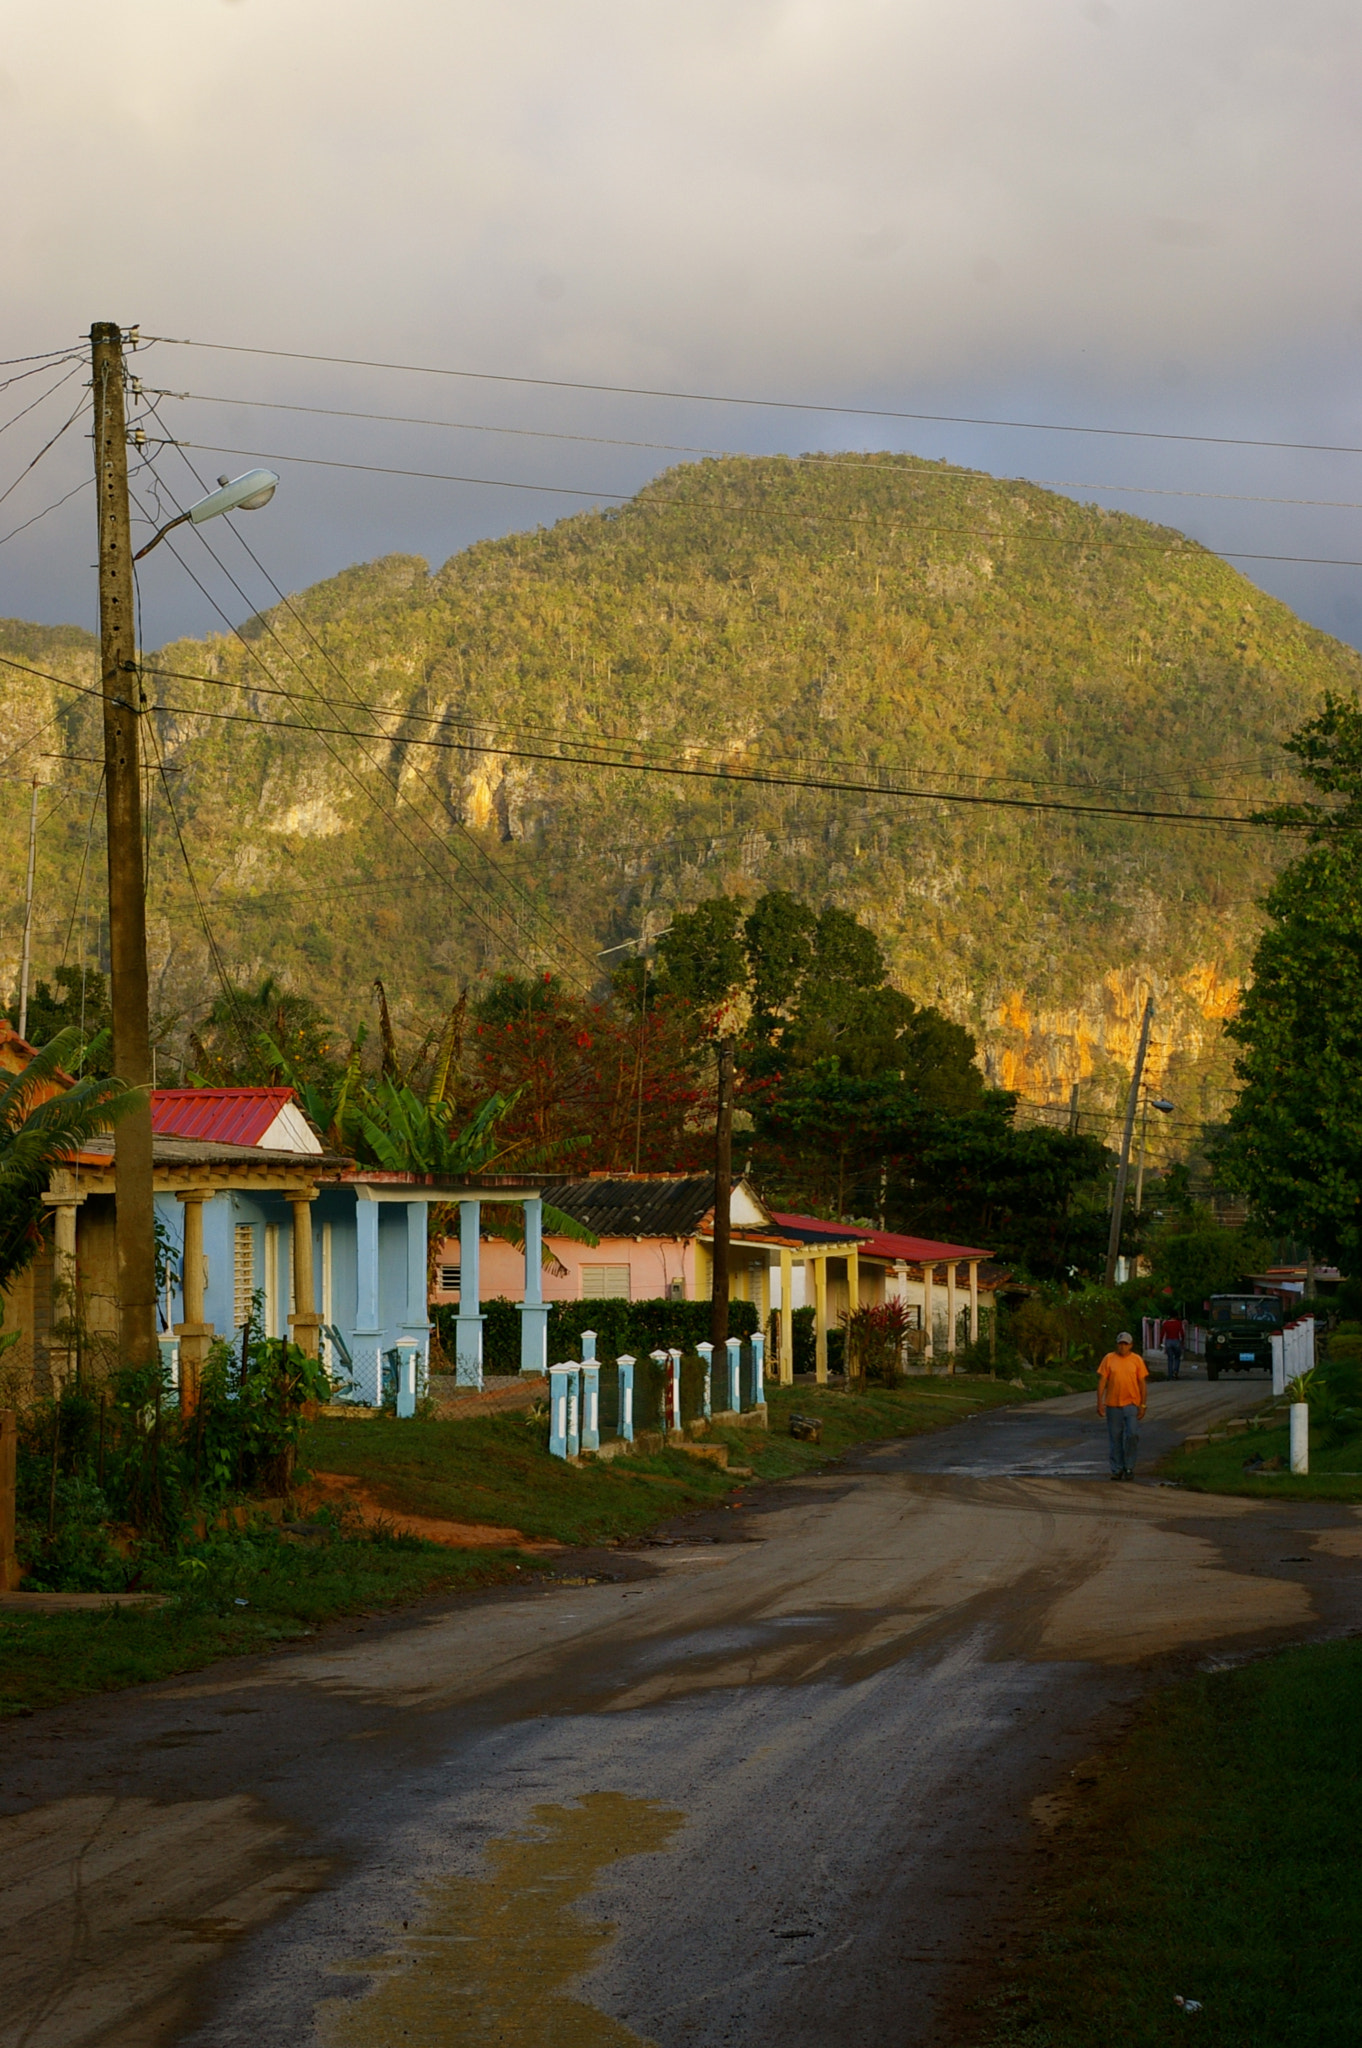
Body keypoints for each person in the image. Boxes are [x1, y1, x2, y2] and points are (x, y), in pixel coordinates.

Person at [1097, 1331, 1148, 1481]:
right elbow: (1102, 1382)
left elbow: (1142, 1384)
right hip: (1113, 1405)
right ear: (1117, 1345)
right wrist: (1100, 1402)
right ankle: (1117, 1468)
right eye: (1120, 1344)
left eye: (1126, 1344)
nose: (1123, 1347)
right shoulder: (1109, 1359)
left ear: (1131, 1345)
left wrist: (1143, 1405)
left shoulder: (1136, 1360)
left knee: (1132, 1434)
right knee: (1116, 1437)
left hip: (1131, 1404)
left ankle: (1129, 1467)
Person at [1161, 1312, 1186, 1381]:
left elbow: (1162, 1333)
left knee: (1170, 1359)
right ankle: (1175, 1371)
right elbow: (1182, 1333)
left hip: (1168, 1341)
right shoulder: (1178, 1323)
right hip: (1176, 1341)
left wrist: (1160, 1342)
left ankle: (1170, 1375)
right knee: (1177, 1357)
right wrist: (1182, 1341)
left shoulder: (1165, 1323)